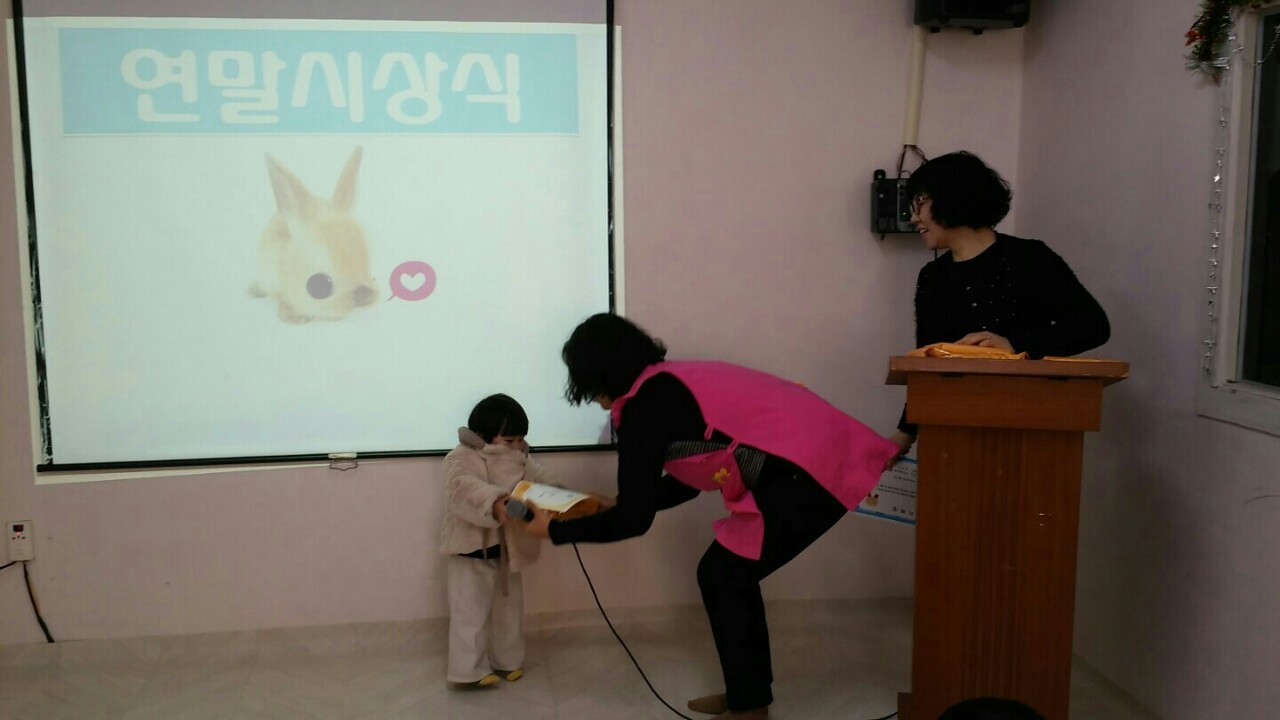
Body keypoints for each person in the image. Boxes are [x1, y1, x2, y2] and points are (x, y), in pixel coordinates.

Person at [511, 313, 898, 720]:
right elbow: (689, 481)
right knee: (724, 574)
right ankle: (746, 697)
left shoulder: (646, 408)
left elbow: (635, 520)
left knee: (725, 574)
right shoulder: (664, 386)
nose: (590, 396)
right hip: (811, 461)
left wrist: (554, 530)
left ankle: (749, 708)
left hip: (813, 468)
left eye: (587, 383)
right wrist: (614, 502)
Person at [886, 151, 1111, 462]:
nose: (914, 218)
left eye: (920, 203)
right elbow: (927, 362)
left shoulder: (1030, 258)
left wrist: (1014, 345)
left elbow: (1093, 326)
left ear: (952, 196)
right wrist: (905, 432)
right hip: (949, 436)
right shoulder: (932, 276)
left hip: (1030, 431)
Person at [439, 393, 557, 688]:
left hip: (508, 550)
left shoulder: (523, 459)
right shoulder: (461, 457)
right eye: (509, 440)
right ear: (485, 434)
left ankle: (508, 661)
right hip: (470, 550)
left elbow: (542, 483)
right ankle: (468, 670)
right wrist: (496, 501)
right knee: (469, 611)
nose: (516, 446)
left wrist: (560, 498)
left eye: (521, 439)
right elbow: (462, 488)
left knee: (509, 610)